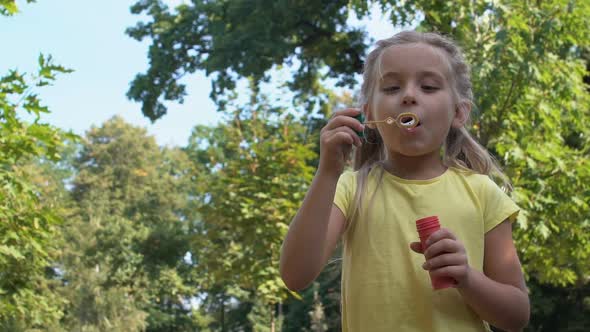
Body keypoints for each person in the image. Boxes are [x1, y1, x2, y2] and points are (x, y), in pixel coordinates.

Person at [279, 31, 530, 332]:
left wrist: (466, 277)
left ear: (458, 113)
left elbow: (517, 315)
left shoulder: (481, 192)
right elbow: (295, 275)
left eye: (428, 86)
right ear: (369, 113)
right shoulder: (350, 188)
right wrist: (328, 172)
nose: (409, 96)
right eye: (392, 87)